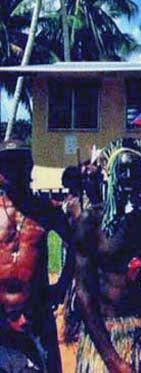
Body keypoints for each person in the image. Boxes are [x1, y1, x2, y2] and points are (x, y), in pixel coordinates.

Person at [74, 138, 141, 373]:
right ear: (109, 175)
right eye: (123, 170)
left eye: (136, 171)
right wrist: (112, 360)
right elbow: (84, 295)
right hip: (106, 339)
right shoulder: (90, 223)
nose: (130, 178)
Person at [0, 140, 73, 372]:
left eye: (19, 163)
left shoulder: (46, 211)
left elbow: (76, 246)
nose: (13, 170)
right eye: (6, 164)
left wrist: (61, 286)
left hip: (37, 317)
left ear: (29, 167)